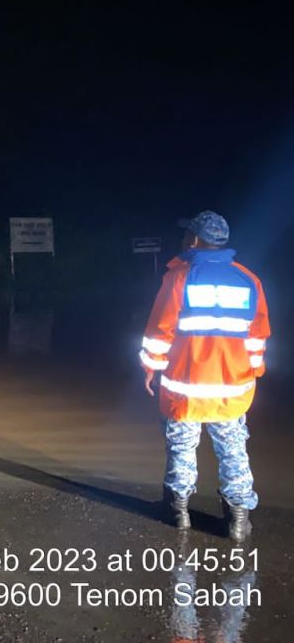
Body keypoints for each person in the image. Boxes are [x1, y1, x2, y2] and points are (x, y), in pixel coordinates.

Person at [139, 211, 270, 541]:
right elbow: (257, 335)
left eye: (188, 235)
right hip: (232, 388)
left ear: (196, 240)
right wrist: (254, 370)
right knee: (234, 451)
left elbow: (160, 330)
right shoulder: (248, 279)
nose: (184, 240)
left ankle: (178, 512)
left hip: (186, 387)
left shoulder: (180, 277)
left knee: (182, 448)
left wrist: (150, 366)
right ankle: (238, 521)